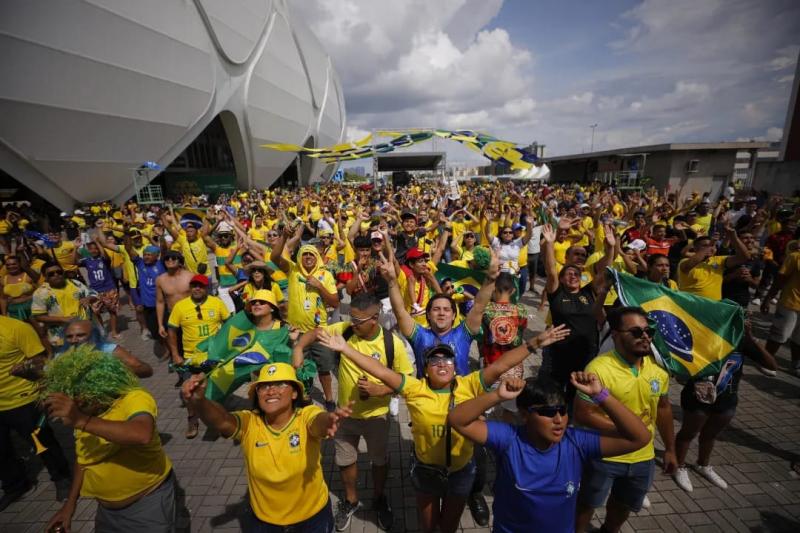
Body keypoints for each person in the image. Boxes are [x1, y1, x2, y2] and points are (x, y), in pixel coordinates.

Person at [316, 325, 568, 533]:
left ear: (455, 366)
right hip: (426, 470)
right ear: (425, 370)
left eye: (447, 358)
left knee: (448, 527)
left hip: (461, 471)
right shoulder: (415, 389)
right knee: (428, 527)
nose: (442, 363)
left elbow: (500, 366)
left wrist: (535, 343)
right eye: (434, 360)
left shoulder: (469, 384)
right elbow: (380, 371)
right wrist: (344, 348)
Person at [447, 373, 650, 533]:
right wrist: (497, 395)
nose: (559, 419)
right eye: (547, 412)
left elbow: (640, 437)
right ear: (525, 415)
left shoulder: (576, 442)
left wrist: (601, 395)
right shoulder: (509, 439)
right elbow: (457, 419)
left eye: (562, 410)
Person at [293, 293, 414, 531]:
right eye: (352, 319)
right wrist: (298, 347)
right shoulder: (346, 330)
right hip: (345, 415)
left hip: (377, 417)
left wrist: (380, 389)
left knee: (379, 461)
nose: (353, 324)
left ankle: (379, 499)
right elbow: (316, 332)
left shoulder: (392, 343)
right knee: (345, 460)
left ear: (375, 318)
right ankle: (350, 501)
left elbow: (406, 381)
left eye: (359, 321)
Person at [182, 363, 352, 532]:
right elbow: (223, 421)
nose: (271, 390)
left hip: (313, 518)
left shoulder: (305, 415)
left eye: (280, 384)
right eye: (263, 386)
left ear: (294, 393)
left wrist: (329, 420)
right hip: (265, 522)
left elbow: (318, 422)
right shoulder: (249, 422)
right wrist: (200, 401)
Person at [43, 347, 176, 533]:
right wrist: (70, 505)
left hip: (148, 507)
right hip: (107, 514)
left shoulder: (133, 398)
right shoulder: (86, 414)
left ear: (98, 386)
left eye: (81, 399)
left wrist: (81, 420)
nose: (78, 405)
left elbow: (142, 434)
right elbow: (83, 460)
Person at [574, 307, 677, 533]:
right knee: (587, 504)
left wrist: (670, 449)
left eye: (649, 331)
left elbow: (663, 409)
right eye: (636, 332)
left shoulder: (658, 370)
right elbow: (583, 413)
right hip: (604, 454)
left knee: (623, 506)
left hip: (643, 457)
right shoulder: (598, 369)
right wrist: (624, 431)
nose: (645, 337)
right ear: (616, 335)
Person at [0, 315, 71, 511]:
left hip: (22, 399)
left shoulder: (16, 328)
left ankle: (62, 478)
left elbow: (39, 361)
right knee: (2, 450)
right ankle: (15, 485)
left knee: (42, 443)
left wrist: (28, 371)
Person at [540, 223, 615, 400]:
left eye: (576, 274)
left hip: (586, 352)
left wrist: (611, 247)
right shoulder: (556, 294)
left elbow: (605, 273)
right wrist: (550, 243)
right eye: (568, 273)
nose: (573, 275)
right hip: (559, 353)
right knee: (554, 393)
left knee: (578, 395)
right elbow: (551, 271)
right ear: (562, 279)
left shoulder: (588, 292)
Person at [271, 228, 339, 411]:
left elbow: (336, 302)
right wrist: (284, 236)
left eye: (311, 254)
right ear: (299, 257)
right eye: (304, 254)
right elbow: (274, 257)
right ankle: (306, 395)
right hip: (297, 333)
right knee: (301, 368)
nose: (308, 257)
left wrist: (319, 287)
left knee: (324, 369)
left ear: (317, 257)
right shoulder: (293, 271)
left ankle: (330, 398)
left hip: (320, 332)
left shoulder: (325, 275)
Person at [167, 274, 230, 438]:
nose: (197, 288)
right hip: (190, 359)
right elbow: (172, 331)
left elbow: (229, 326)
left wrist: (226, 349)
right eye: (194, 285)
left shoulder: (217, 303)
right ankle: (192, 420)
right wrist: (175, 354)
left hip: (213, 357)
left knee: (213, 392)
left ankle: (218, 421)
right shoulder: (180, 307)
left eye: (200, 286)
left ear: (207, 288)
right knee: (189, 393)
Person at [31, 260, 99, 349]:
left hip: (86, 331)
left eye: (59, 272)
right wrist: (62, 319)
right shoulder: (40, 293)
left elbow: (94, 293)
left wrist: (88, 298)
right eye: (51, 274)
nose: (56, 275)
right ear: (45, 277)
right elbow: (38, 316)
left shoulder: (75, 283)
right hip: (63, 337)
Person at [61, 319, 153, 378]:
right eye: (69, 336)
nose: (74, 340)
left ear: (94, 335)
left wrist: (118, 368)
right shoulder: (60, 356)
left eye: (80, 335)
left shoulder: (109, 350)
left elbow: (147, 370)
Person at [0, 254, 40, 320]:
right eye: (8, 265)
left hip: (33, 310)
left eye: (14, 264)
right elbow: (3, 299)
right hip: (14, 312)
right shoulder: (3, 280)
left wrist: (25, 298)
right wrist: (4, 315)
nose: (11, 266)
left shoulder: (29, 276)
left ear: (20, 264)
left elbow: (40, 292)